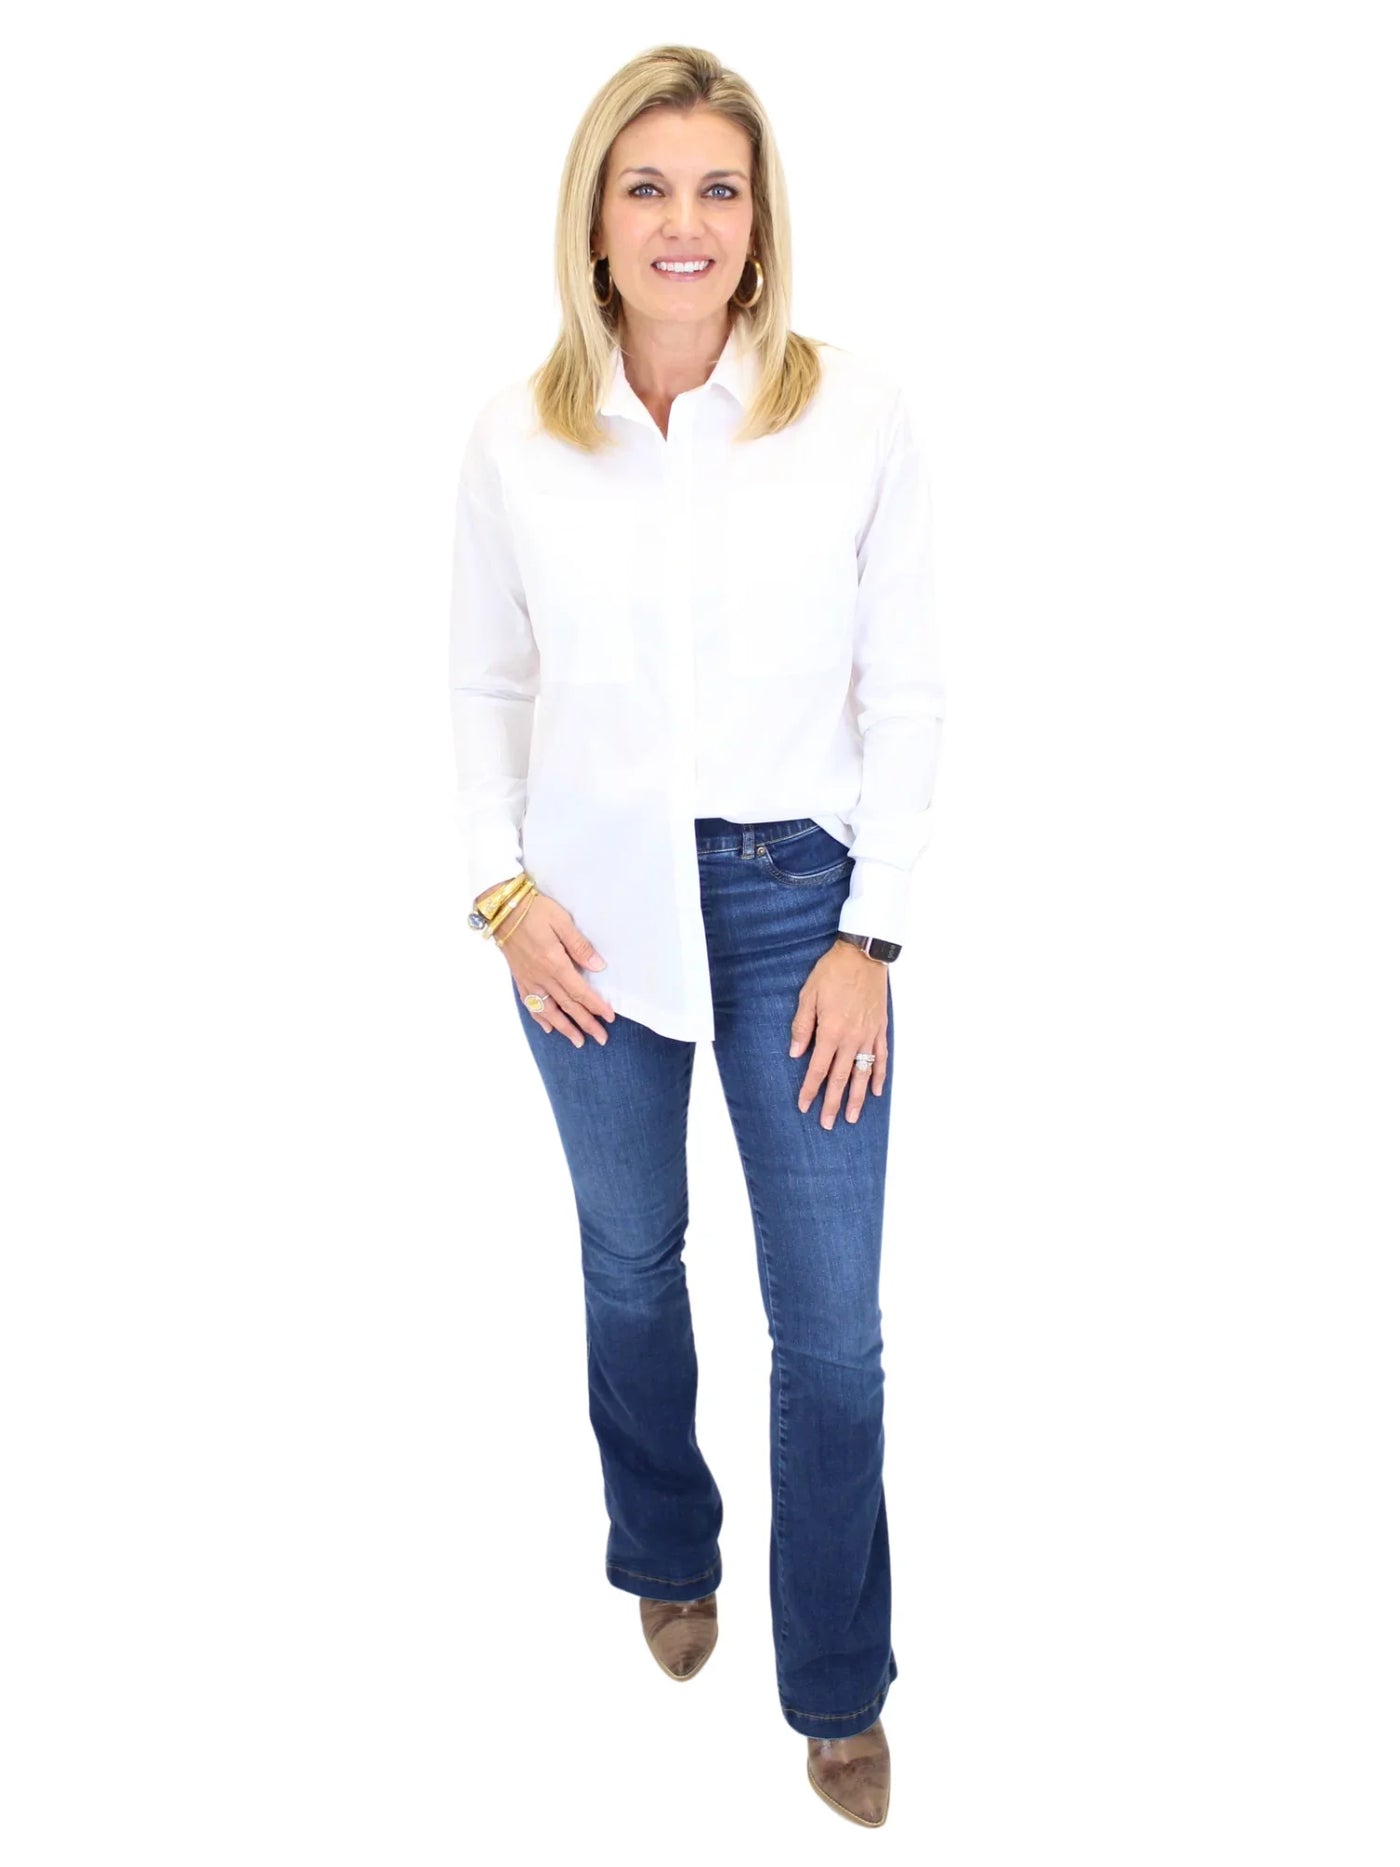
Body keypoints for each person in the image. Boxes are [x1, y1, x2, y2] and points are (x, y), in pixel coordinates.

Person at [448, 45, 944, 1829]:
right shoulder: (520, 438)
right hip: (583, 920)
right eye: (647, 185)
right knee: (632, 1263)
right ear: (595, 217)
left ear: (760, 219)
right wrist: (502, 896)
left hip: (799, 910)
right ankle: (665, 1546)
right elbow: (484, 686)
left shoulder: (852, 414)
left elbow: (910, 692)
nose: (685, 221)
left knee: (833, 1334)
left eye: (719, 189)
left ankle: (837, 1688)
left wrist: (872, 938)